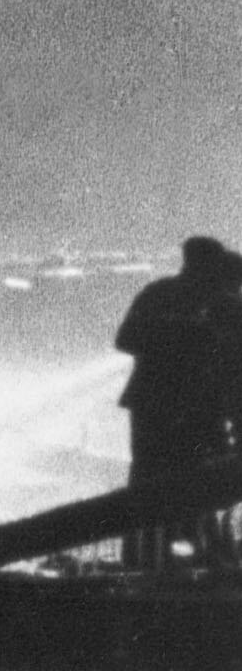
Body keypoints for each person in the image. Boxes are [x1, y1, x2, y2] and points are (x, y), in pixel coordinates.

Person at [123, 234, 240, 571]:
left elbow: (127, 338)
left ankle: (155, 558)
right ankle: (175, 558)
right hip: (174, 406)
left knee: (156, 482)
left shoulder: (161, 294)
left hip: (163, 405)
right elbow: (128, 338)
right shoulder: (194, 301)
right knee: (181, 482)